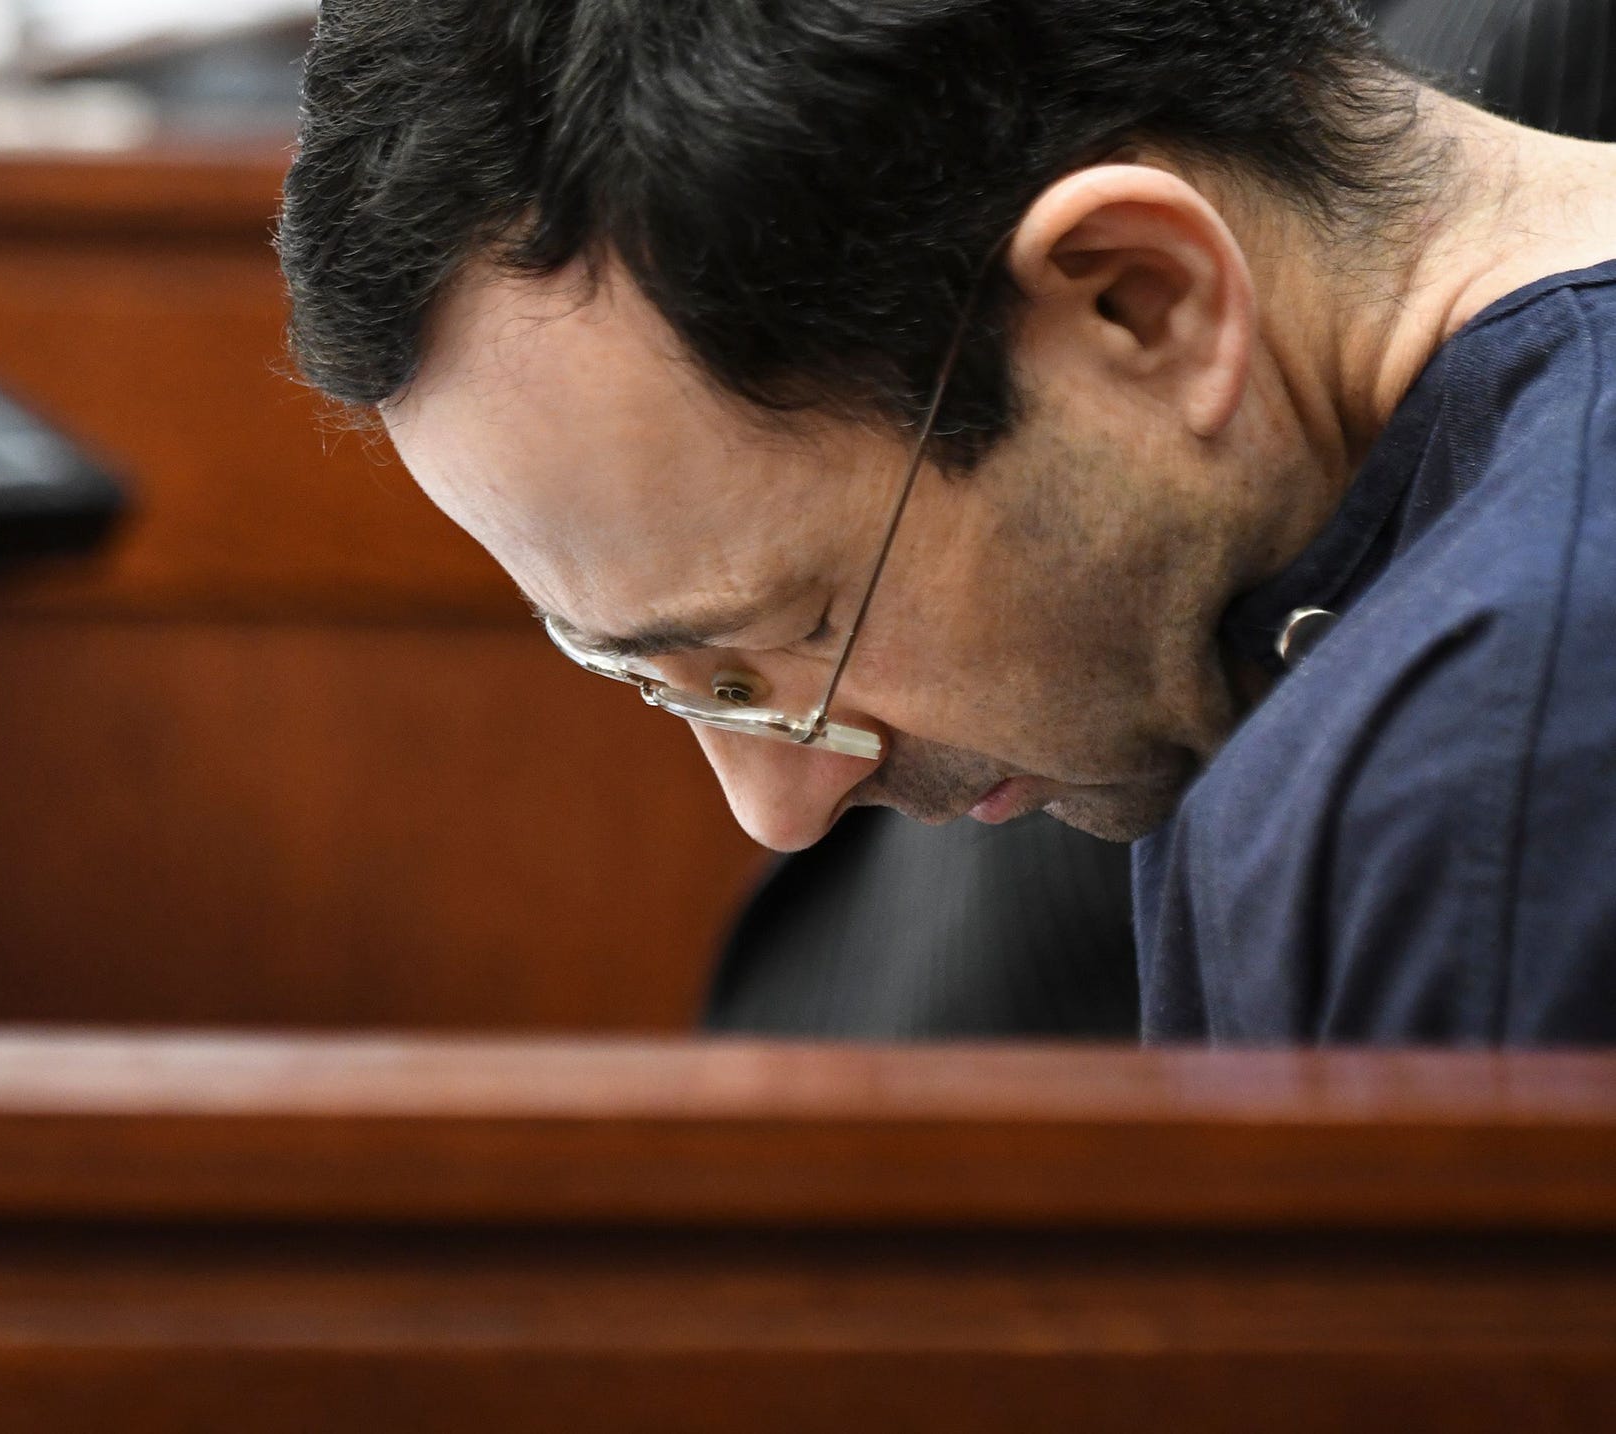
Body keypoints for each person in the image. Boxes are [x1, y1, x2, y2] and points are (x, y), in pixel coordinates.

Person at [278, 0, 1616, 1043]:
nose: (778, 807)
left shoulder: (1487, 769)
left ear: (1139, 303)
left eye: (787, 639)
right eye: (641, 676)